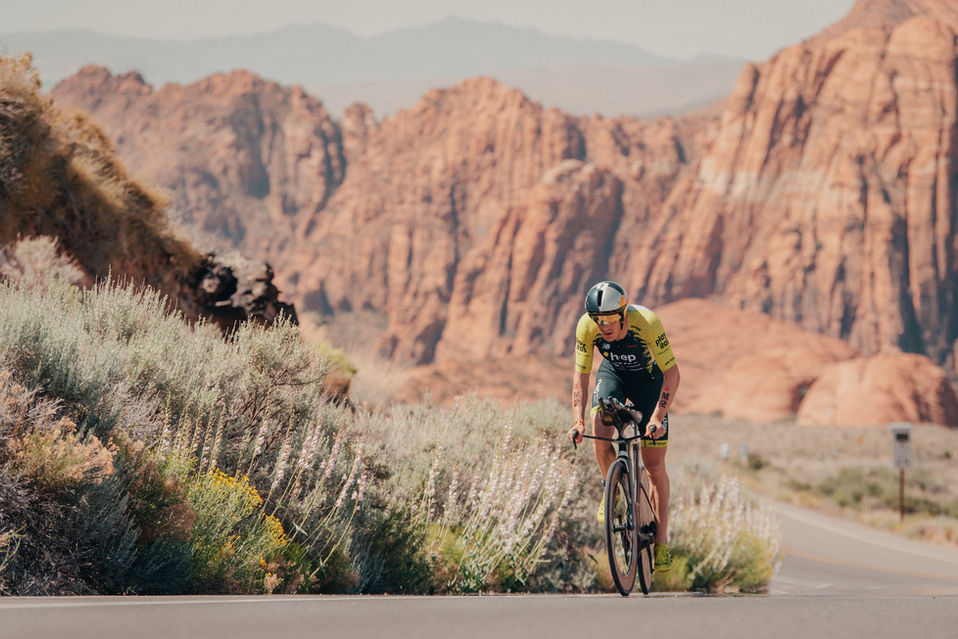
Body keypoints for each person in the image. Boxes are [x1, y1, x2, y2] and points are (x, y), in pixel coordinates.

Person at [567, 280, 680, 571]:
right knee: (599, 428)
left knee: (654, 467)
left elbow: (672, 374)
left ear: (623, 314)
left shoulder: (647, 322)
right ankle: (612, 489)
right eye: (598, 320)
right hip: (613, 375)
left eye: (609, 319)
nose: (603, 326)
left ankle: (661, 540)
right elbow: (580, 377)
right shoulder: (586, 327)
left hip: (649, 384)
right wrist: (578, 420)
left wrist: (657, 418)